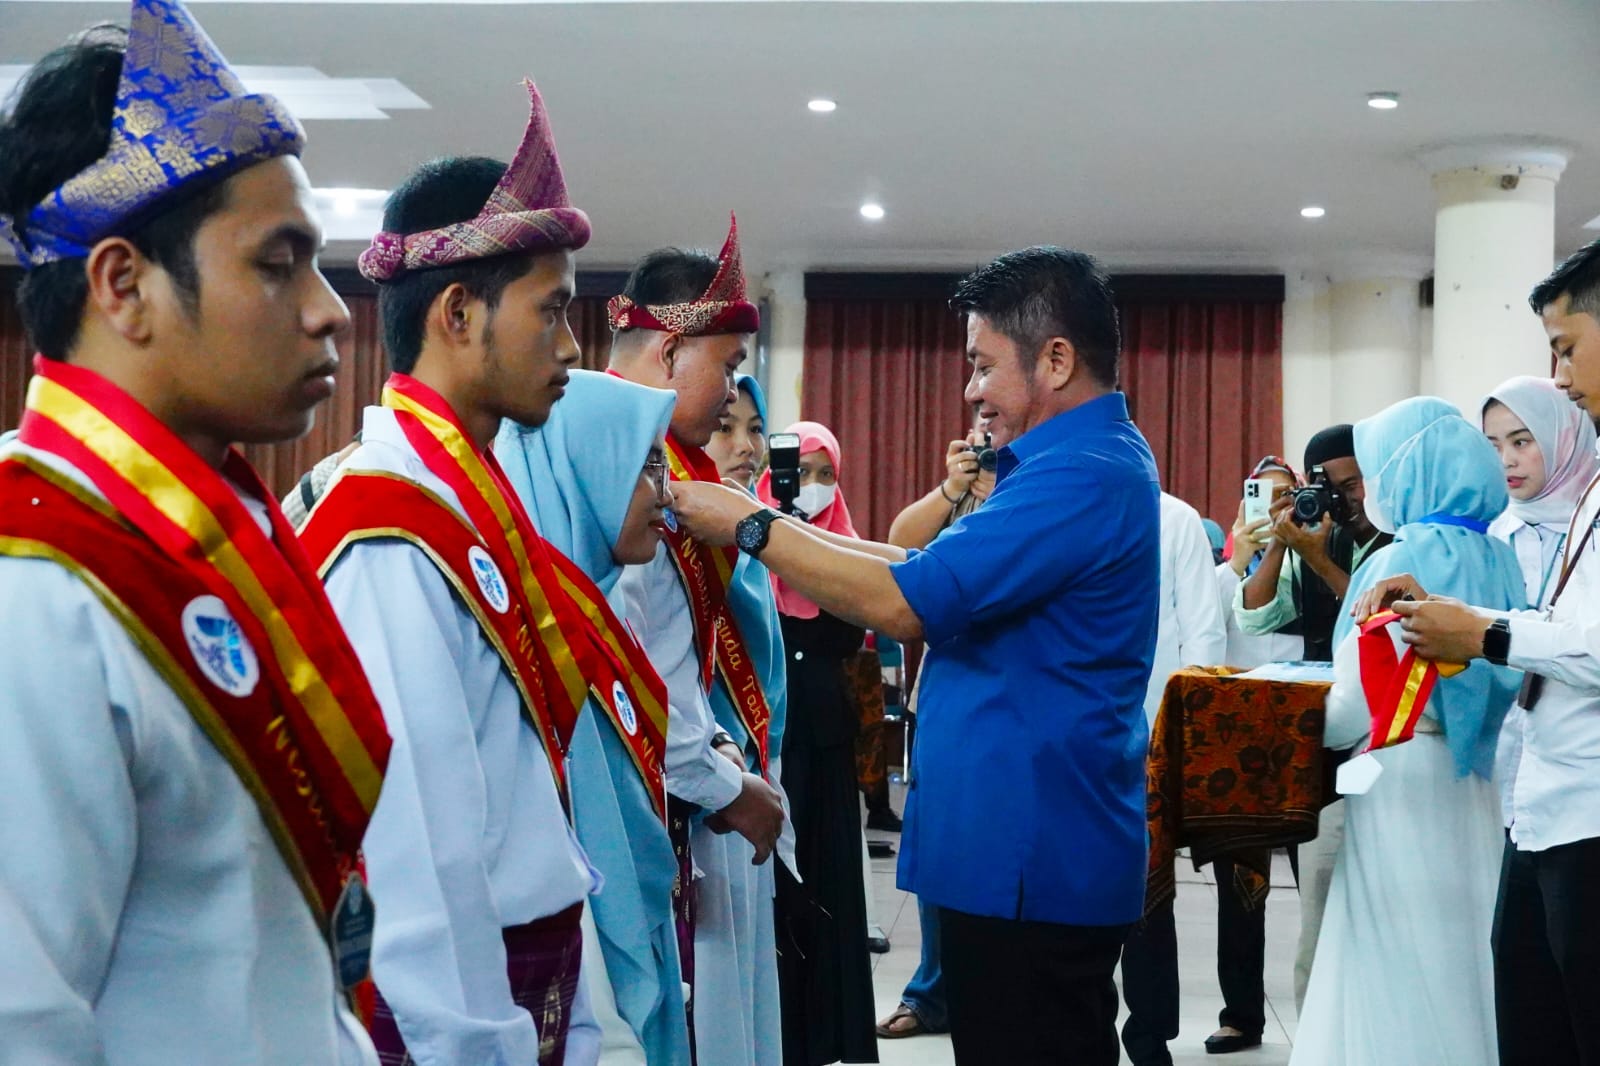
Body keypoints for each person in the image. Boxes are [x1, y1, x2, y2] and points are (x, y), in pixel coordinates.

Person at [0, 2, 391, 1061]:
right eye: (279, 262)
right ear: (123, 285)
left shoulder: (200, 530)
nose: (330, 310)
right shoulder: (32, 580)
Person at [671, 246, 1160, 1066]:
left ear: (1057, 359)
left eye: (982, 366)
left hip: (1032, 857)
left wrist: (750, 527)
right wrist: (781, 529)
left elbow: (904, 607)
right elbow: (921, 572)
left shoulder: (1082, 473)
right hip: (1014, 844)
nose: (970, 390)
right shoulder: (1062, 463)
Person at [297, 82, 607, 1065]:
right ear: (459, 312)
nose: (569, 347)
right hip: (463, 1001)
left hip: (526, 963)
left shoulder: (468, 496)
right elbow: (418, 855)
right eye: (551, 312)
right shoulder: (387, 527)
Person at [1356, 240, 1600, 1066]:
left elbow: (1591, 646)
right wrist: (1450, 612)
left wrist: (1483, 632)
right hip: (1541, 807)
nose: (1562, 375)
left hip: (1587, 811)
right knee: (1532, 1024)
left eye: (1567, 348)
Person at [1291, 397, 1525, 1066]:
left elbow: (1351, 708)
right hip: (1482, 780)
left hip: (1401, 775)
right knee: (1472, 947)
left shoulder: (1398, 559)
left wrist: (1283, 702)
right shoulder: (1504, 560)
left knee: (1390, 948)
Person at [606, 223, 789, 1066]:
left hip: (702, 777)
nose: (733, 392)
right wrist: (722, 783)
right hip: (666, 795)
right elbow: (633, 671)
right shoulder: (625, 467)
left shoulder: (674, 462)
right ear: (671, 351)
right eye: (727, 363)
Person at [496, 370, 691, 1065]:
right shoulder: (533, 634)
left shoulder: (601, 604)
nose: (664, 494)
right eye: (644, 467)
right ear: (589, 471)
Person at [1235, 427, 1394, 1015]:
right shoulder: (1309, 535)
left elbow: (1377, 622)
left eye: (1356, 484)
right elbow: (1254, 617)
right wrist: (1282, 543)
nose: (1348, 498)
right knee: (1319, 901)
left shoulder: (1392, 541)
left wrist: (1322, 560)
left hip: (1383, 736)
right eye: (1335, 486)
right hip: (1323, 738)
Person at [756, 421, 879, 1066]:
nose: (811, 487)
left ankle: (829, 1035)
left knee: (825, 881)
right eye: (798, 471)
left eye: (824, 474)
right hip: (761, 738)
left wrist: (806, 547)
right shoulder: (749, 540)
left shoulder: (846, 552)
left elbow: (843, 636)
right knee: (773, 884)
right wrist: (774, 533)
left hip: (821, 736)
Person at [875, 425, 997, 1042]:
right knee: (935, 852)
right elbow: (899, 543)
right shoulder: (963, 496)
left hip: (1000, 707)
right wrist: (952, 488)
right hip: (941, 694)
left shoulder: (1037, 490)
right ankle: (931, 990)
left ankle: (979, 991)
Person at [1119, 490, 1226, 1066]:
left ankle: (1149, 1030)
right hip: (1070, 731)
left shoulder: (1175, 518)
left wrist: (1186, 738)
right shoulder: (1054, 503)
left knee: (1147, 887)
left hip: (1152, 734)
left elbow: (1204, 634)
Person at [1483, 376, 1599, 838]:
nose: (1506, 460)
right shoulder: (1491, 533)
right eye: (1492, 445)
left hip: (1579, 774)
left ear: (1563, 435)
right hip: (1506, 747)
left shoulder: (1588, 520)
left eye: (1521, 440)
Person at [1217, 458, 1305, 669]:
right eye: (1264, 495)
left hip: (1298, 685)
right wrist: (1237, 563)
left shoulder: (1311, 554)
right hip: (1239, 687)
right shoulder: (1228, 563)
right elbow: (1205, 620)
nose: (1274, 506)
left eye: (1284, 495)